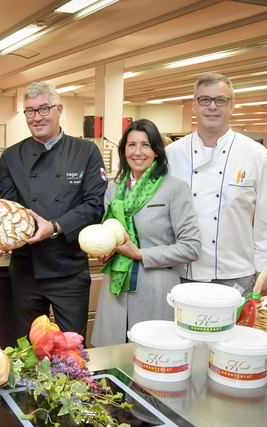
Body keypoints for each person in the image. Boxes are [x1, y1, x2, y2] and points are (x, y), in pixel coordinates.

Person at [0, 81, 107, 339]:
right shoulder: (11, 157)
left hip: (69, 269)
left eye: (43, 109)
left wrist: (55, 227)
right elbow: (10, 211)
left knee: (72, 348)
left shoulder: (86, 151)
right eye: (30, 111)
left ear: (59, 109)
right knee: (28, 347)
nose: (37, 117)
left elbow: (94, 206)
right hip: (26, 270)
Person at [165, 72, 267, 296]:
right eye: (204, 100)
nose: (212, 107)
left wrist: (266, 269)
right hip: (181, 270)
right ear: (194, 106)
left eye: (221, 100)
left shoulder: (256, 155)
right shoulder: (171, 155)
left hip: (236, 272)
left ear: (232, 106)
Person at [90, 119, 201, 347]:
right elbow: (110, 233)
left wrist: (140, 253)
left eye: (146, 145)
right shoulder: (114, 188)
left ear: (157, 152)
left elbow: (191, 247)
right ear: (124, 151)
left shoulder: (174, 188)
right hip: (115, 293)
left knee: (152, 361)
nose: (138, 152)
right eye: (131, 145)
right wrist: (106, 250)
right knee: (113, 360)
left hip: (155, 289)